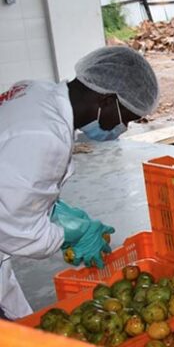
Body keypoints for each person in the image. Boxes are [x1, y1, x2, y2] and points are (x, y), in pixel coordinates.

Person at [0, 46, 160, 319]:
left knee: (20, 323)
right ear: (108, 101)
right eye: (127, 120)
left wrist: (52, 209)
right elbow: (13, 231)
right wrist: (65, 236)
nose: (123, 129)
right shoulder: (46, 136)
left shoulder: (35, 91)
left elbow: (11, 174)